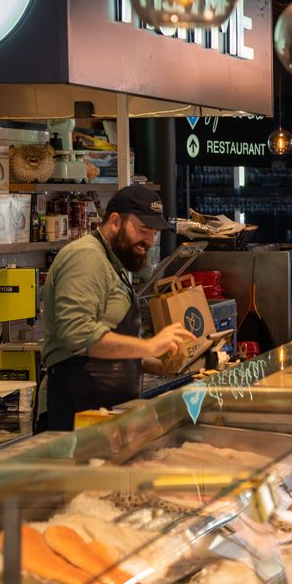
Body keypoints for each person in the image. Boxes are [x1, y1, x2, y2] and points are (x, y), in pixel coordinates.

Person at [40, 184, 189, 431]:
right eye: (143, 230)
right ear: (116, 221)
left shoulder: (113, 262)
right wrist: (150, 345)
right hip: (77, 414)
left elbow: (105, 348)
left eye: (153, 233)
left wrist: (154, 363)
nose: (150, 241)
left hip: (105, 416)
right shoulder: (86, 257)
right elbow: (77, 334)